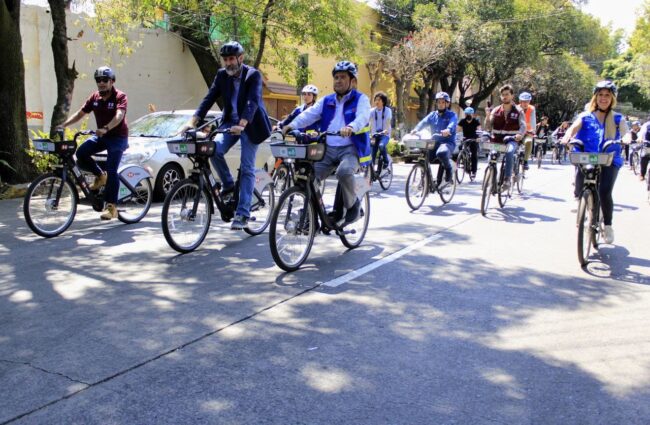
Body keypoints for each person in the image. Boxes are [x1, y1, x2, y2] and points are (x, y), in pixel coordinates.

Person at [181, 41, 272, 230]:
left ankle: (243, 213)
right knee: (214, 149)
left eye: (232, 59)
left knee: (246, 167)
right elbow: (210, 97)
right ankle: (229, 185)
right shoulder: (222, 75)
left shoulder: (252, 75)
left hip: (251, 125)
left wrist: (243, 123)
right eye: (225, 60)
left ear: (240, 58)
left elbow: (253, 101)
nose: (228, 63)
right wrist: (193, 120)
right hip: (230, 123)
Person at [282, 61, 371, 225]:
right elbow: (308, 114)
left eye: (343, 77)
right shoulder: (326, 100)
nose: (338, 80)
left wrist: (351, 126)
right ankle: (311, 215)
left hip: (351, 149)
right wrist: (290, 125)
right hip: (328, 149)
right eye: (336, 77)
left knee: (343, 172)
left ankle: (353, 206)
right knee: (308, 177)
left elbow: (363, 117)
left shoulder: (361, 99)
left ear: (352, 81)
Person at [561, 80, 627, 244]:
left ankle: (608, 225)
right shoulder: (585, 116)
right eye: (600, 95)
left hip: (609, 159)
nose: (603, 98)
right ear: (595, 98)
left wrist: (626, 139)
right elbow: (573, 128)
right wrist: (567, 137)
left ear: (612, 98)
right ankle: (580, 199)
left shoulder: (618, 118)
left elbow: (626, 133)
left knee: (604, 192)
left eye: (607, 95)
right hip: (588, 157)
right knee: (579, 174)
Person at [60, 66, 128, 220]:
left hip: (117, 137)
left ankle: (112, 207)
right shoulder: (95, 98)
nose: (101, 83)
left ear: (112, 81)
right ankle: (99, 175)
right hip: (102, 136)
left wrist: (106, 127)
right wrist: (64, 124)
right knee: (81, 153)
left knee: (112, 171)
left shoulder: (120, 96)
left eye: (105, 80)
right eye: (98, 80)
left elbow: (119, 115)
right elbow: (80, 113)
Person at [410, 92, 458, 188]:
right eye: (439, 102)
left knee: (441, 153)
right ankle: (425, 180)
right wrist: (416, 129)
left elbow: (452, 124)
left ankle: (449, 171)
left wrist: (448, 130)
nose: (440, 104)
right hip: (434, 142)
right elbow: (423, 122)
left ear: (447, 104)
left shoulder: (452, 115)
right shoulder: (432, 115)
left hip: (447, 142)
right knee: (424, 155)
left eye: (443, 102)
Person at [483, 84, 526, 191]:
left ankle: (507, 179)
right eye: (502, 95)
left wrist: (520, 134)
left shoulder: (518, 111)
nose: (504, 97)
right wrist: (487, 117)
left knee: (510, 152)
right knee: (492, 157)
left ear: (512, 96)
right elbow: (488, 127)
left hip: (511, 140)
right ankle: (493, 183)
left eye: (507, 94)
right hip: (497, 141)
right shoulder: (495, 110)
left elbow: (523, 125)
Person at [369, 91, 393, 168]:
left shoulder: (387, 110)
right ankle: (371, 174)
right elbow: (370, 122)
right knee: (372, 153)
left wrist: (386, 130)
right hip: (375, 135)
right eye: (376, 100)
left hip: (384, 134)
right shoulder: (372, 111)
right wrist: (371, 134)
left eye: (379, 100)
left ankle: (386, 161)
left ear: (383, 101)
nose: (377, 101)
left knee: (382, 146)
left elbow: (388, 121)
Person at [457, 106, 481, 179]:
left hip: (474, 139)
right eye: (466, 114)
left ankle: (474, 171)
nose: (468, 115)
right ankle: (462, 160)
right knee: (460, 148)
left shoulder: (476, 121)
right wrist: (457, 136)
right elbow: (458, 130)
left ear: (472, 114)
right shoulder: (462, 121)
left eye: (469, 114)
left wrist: (479, 138)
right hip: (465, 139)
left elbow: (479, 130)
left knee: (474, 154)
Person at [518, 91, 536, 170]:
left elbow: (533, 120)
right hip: (517, 132)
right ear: (520, 101)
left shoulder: (531, 109)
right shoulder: (516, 108)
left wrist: (533, 130)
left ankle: (525, 161)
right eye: (523, 101)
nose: (525, 103)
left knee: (529, 141)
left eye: (527, 101)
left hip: (528, 132)